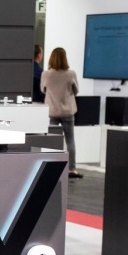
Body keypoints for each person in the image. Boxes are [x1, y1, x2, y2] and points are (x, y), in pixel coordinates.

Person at [41, 47, 82, 179]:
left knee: (52, 140)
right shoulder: (71, 74)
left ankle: (51, 167)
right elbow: (76, 91)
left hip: (52, 111)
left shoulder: (46, 74)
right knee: (70, 140)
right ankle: (72, 169)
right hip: (67, 112)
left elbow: (43, 89)